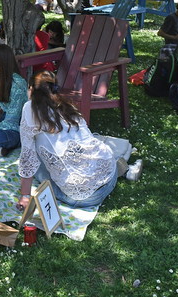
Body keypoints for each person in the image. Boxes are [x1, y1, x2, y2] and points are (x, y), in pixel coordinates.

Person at [16, 71, 142, 211]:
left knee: (37, 166)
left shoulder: (29, 108)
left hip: (83, 198)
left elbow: (27, 158)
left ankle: (122, 169)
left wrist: (25, 195)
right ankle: (125, 169)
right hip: (109, 175)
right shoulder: (67, 106)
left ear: (31, 89)